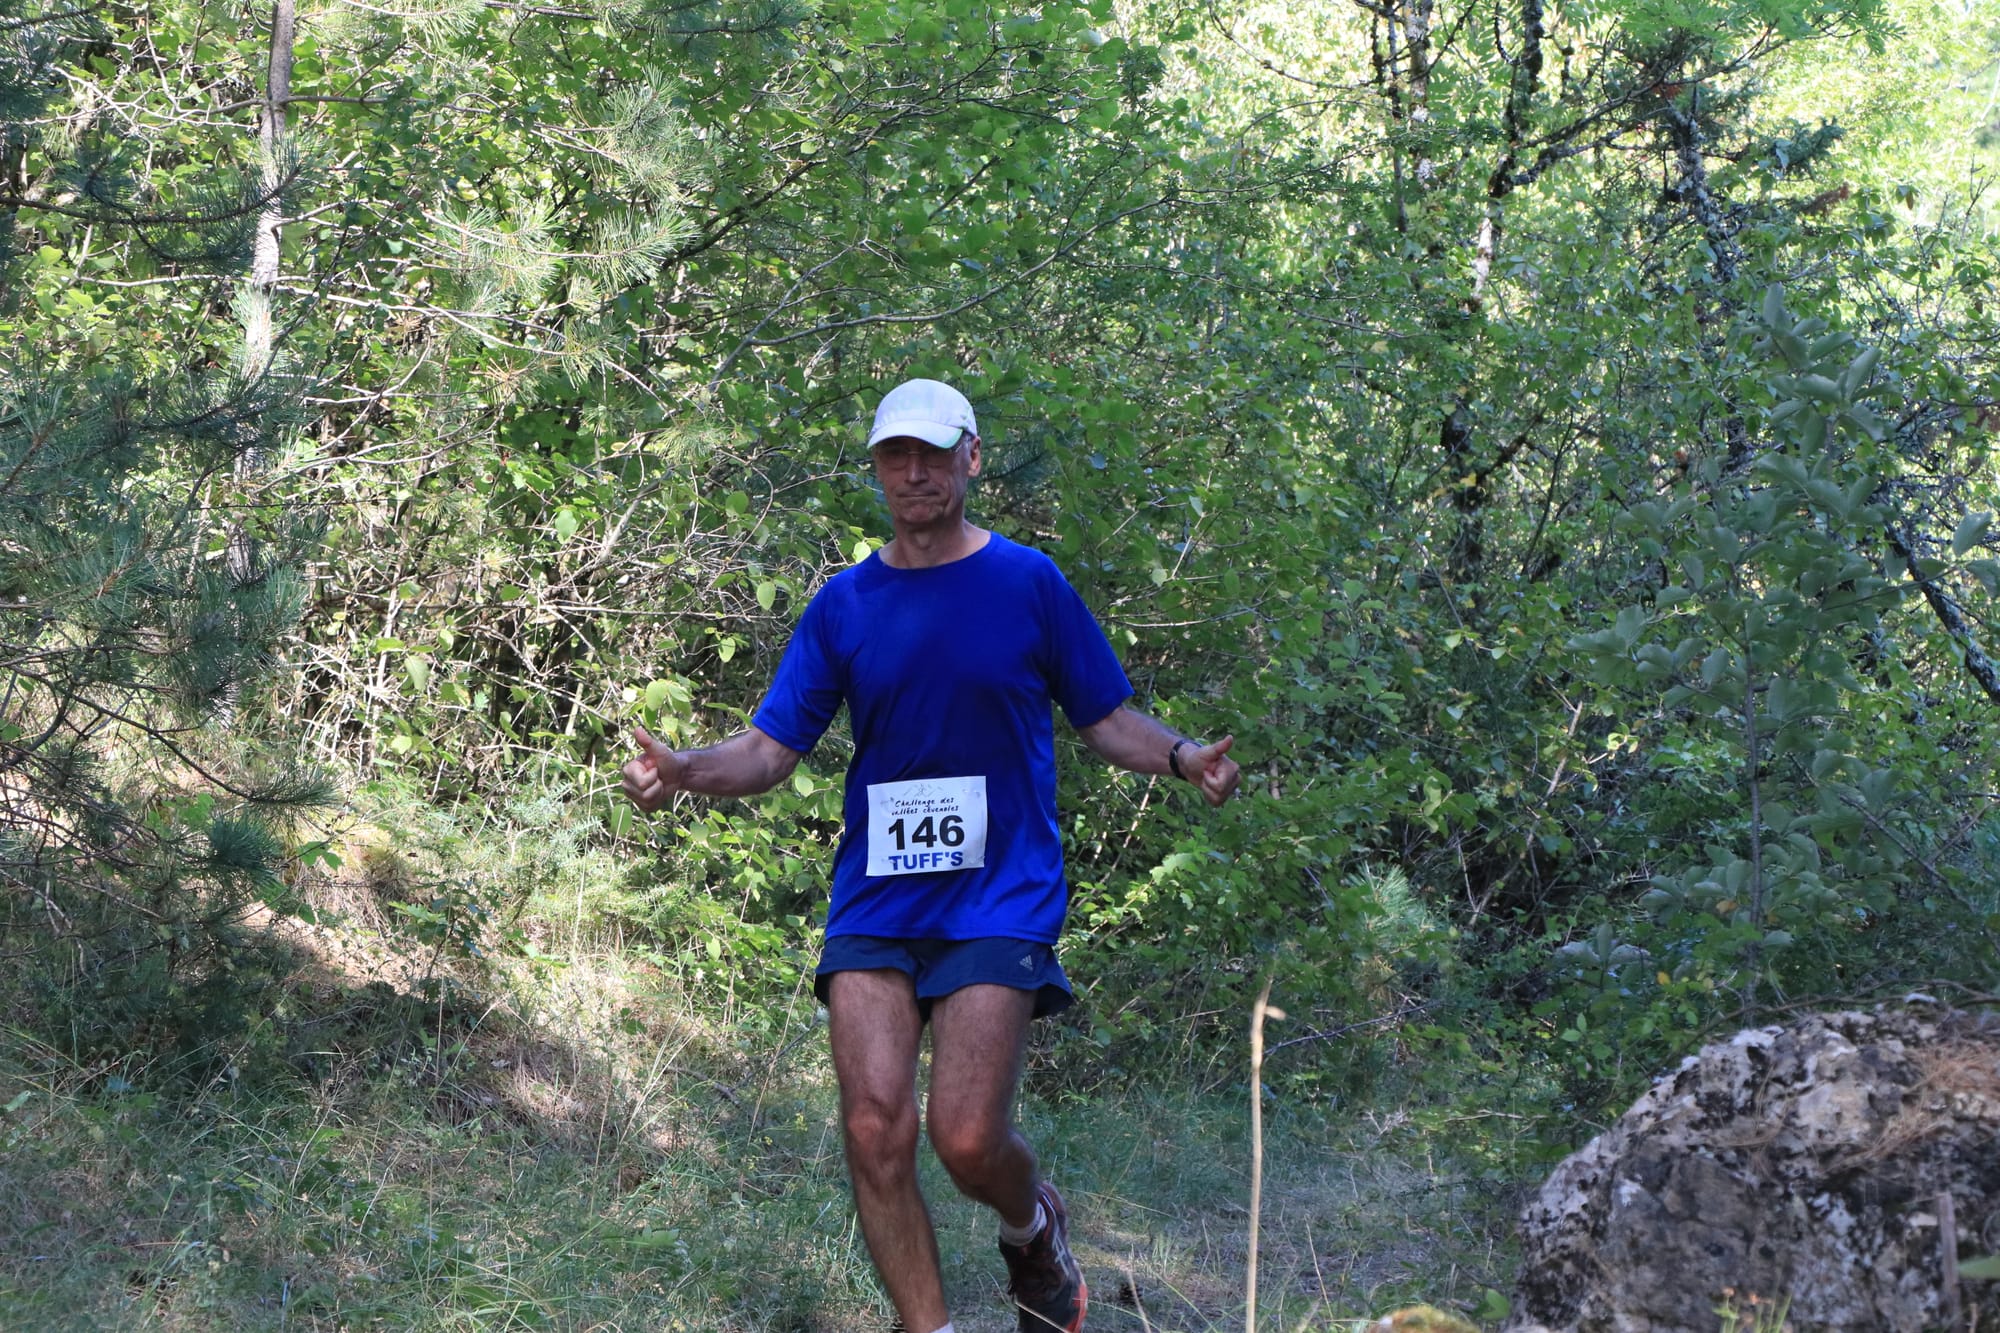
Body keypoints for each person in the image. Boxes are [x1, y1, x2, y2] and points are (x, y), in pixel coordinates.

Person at [621, 378, 1241, 1333]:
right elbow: (771, 749)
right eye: (893, 455)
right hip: (877, 898)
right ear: (876, 467)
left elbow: (1106, 719)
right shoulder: (845, 605)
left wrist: (1182, 755)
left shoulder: (1029, 584)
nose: (912, 472)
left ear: (971, 458)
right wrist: (687, 768)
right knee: (875, 1130)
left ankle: (1032, 1224)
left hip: (1000, 893)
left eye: (931, 452)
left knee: (962, 1135)